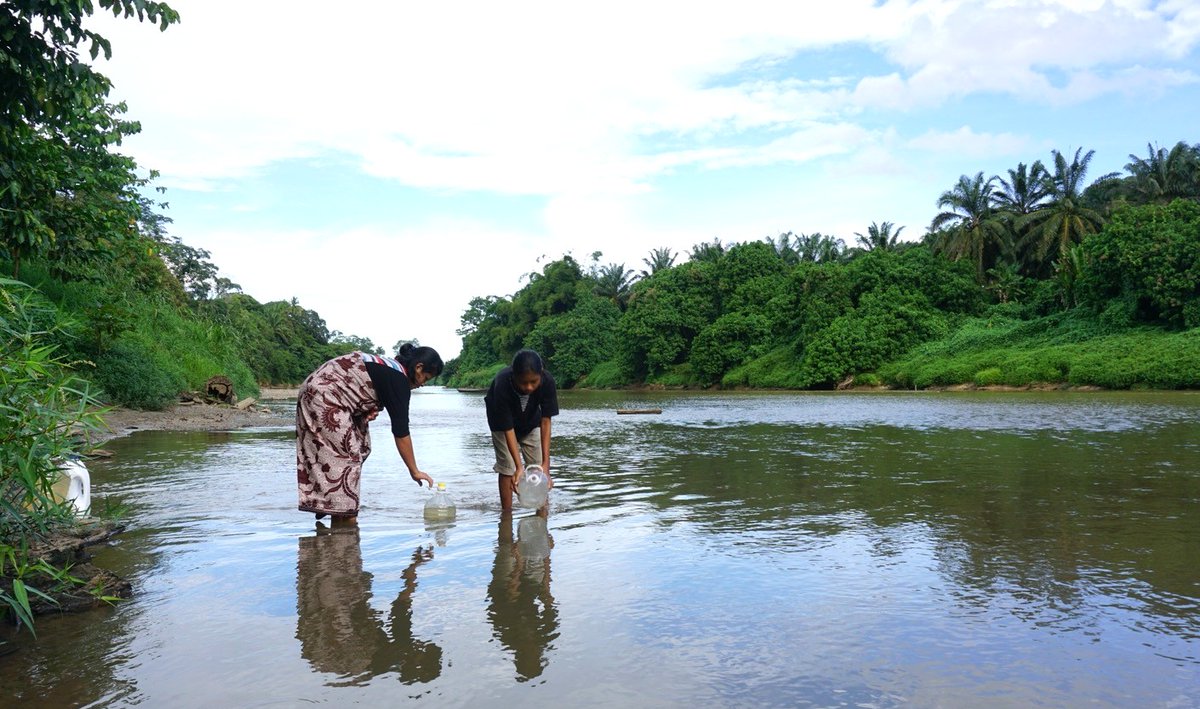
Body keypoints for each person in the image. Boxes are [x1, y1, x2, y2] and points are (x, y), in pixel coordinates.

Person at [296, 343, 443, 524]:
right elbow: (401, 431)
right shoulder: (399, 379)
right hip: (324, 397)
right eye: (425, 378)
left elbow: (360, 385)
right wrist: (414, 471)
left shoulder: (390, 368)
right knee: (346, 458)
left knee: (362, 445)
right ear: (418, 367)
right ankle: (344, 519)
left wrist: (364, 406)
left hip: (318, 390)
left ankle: (329, 503)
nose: (422, 385)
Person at [485, 349, 559, 510]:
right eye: (523, 382)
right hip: (501, 425)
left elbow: (546, 422)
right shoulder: (502, 382)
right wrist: (519, 467)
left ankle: (542, 513)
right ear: (514, 376)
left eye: (534, 382)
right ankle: (507, 514)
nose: (529, 387)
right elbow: (508, 428)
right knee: (508, 467)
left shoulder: (547, 381)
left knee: (538, 467)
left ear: (541, 374)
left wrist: (546, 465)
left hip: (531, 422)